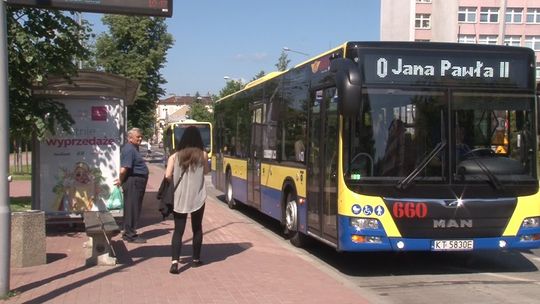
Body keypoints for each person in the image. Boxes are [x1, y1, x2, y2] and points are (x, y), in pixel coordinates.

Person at [165, 126, 209, 274]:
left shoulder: (174, 156)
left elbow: (167, 176)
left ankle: (175, 262)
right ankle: (196, 260)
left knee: (178, 230)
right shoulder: (203, 155)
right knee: (197, 228)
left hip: (179, 196)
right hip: (197, 196)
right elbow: (207, 172)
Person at [114, 128, 149, 244]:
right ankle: (131, 235)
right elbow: (124, 169)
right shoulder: (129, 149)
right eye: (137, 137)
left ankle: (127, 232)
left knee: (132, 207)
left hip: (135, 181)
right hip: (133, 182)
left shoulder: (133, 148)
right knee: (132, 208)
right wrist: (120, 179)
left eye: (140, 136)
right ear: (130, 138)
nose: (140, 138)